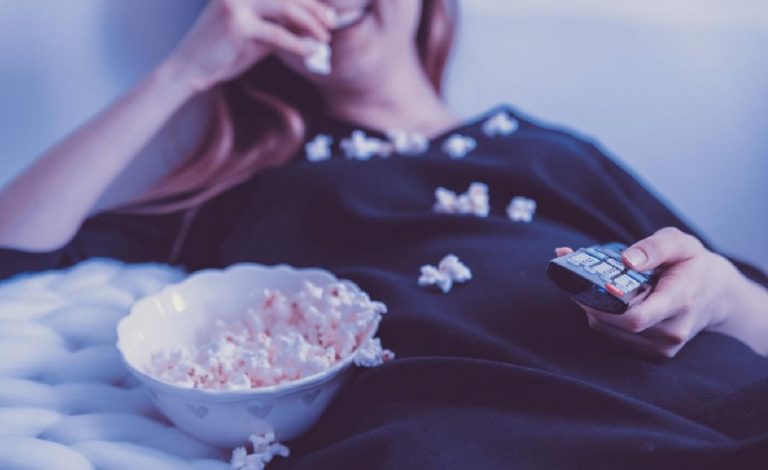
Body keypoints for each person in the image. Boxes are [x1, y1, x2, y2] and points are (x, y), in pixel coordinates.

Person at [0, 0, 766, 467]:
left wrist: (724, 294)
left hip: (707, 401)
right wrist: (187, 71)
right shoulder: (258, 186)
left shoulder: (550, 150)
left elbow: (751, 310)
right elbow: (14, 250)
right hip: (469, 432)